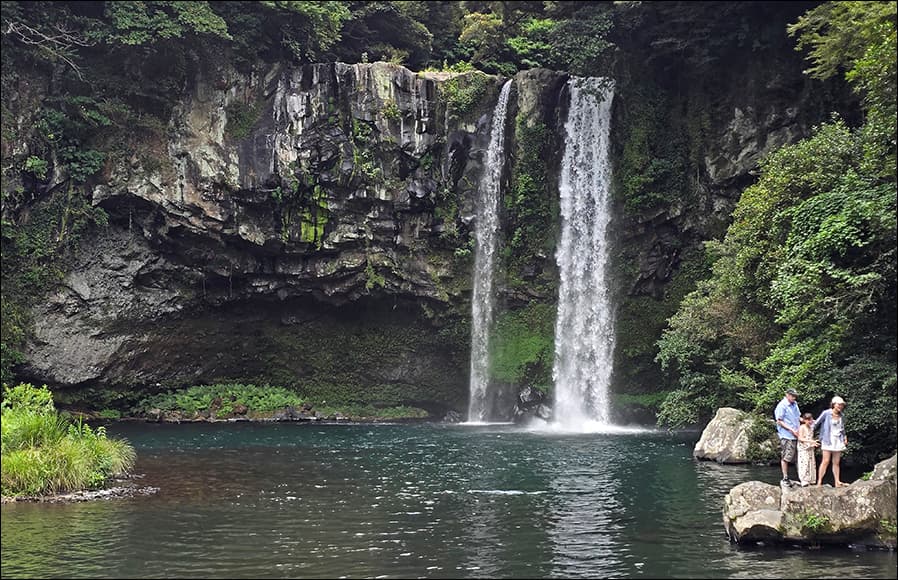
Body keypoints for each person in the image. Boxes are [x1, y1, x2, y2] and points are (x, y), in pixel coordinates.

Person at [815, 396, 849, 488]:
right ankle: (819, 482)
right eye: (838, 404)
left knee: (836, 462)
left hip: (838, 439)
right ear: (834, 404)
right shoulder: (826, 413)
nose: (840, 406)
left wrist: (845, 436)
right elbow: (816, 423)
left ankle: (837, 482)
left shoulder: (842, 415)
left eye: (841, 405)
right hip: (827, 439)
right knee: (825, 461)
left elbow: (842, 428)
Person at [774, 388, 801, 485]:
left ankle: (801, 477)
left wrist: (808, 422)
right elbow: (779, 421)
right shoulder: (782, 406)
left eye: (795, 396)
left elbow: (798, 417)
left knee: (798, 457)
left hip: (797, 435)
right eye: (792, 395)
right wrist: (791, 430)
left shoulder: (795, 404)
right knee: (786, 456)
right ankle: (785, 477)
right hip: (787, 435)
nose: (794, 397)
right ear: (787, 395)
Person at [797, 412, 819, 486]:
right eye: (808, 420)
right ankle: (804, 479)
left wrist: (813, 443)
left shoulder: (811, 427)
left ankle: (811, 479)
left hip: (810, 447)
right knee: (804, 463)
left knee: (811, 462)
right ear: (804, 420)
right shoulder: (802, 427)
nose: (810, 421)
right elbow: (800, 438)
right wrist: (810, 441)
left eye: (811, 420)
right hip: (803, 447)